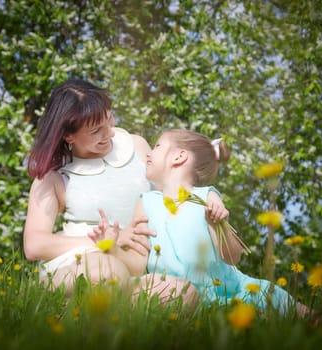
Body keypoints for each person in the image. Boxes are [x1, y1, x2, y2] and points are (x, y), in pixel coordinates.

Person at [23, 79, 229, 305]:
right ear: (68, 136)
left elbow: (173, 190)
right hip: (80, 266)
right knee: (106, 272)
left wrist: (207, 196)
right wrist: (106, 241)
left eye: (109, 118)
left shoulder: (135, 146)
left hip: (132, 269)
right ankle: (72, 308)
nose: (110, 133)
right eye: (96, 130)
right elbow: (34, 245)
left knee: (182, 293)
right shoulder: (54, 177)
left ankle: (103, 322)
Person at [90, 129, 308, 315]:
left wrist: (219, 224)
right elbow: (139, 263)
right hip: (175, 294)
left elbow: (233, 257)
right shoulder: (146, 202)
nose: (148, 153)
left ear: (179, 157)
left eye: (157, 146)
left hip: (230, 292)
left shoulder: (206, 197)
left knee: (280, 304)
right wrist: (113, 248)